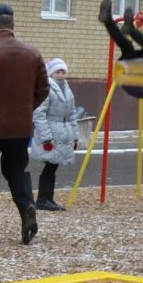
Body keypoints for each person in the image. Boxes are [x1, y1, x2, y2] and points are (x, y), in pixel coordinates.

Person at [0, 5, 48, 244]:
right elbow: (43, 89)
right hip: (19, 127)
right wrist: (25, 110)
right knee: (16, 171)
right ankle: (27, 207)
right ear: (12, 26)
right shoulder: (32, 54)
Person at [32, 58, 83, 211]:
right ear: (50, 73)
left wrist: (74, 136)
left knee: (53, 166)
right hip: (52, 132)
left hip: (63, 132)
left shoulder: (66, 89)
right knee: (50, 166)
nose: (60, 75)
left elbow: (72, 114)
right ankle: (42, 199)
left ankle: (48, 198)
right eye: (57, 72)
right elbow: (39, 114)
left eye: (62, 72)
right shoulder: (46, 89)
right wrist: (46, 138)